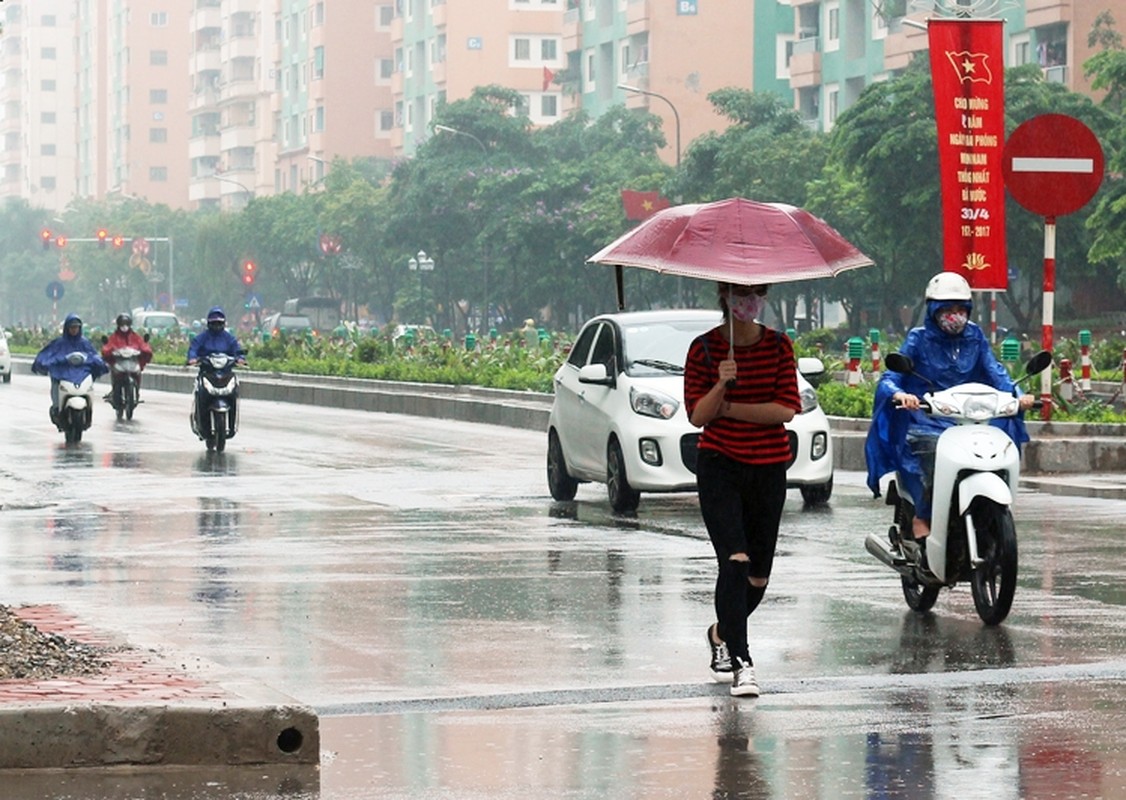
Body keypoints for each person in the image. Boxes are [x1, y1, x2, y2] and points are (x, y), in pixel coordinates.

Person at [683, 282, 801, 698]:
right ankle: (743, 662)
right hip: (719, 466)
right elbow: (698, 416)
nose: (748, 300)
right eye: (739, 292)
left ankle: (720, 633)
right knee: (734, 560)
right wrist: (720, 384)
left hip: (768, 469)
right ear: (723, 294)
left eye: (756, 292)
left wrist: (730, 408)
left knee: (757, 577)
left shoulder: (779, 347)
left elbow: (784, 409)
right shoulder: (704, 350)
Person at [865, 272, 1034, 559]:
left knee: (994, 450)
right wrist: (900, 395)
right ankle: (922, 514)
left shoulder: (975, 337)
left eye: (960, 309)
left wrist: (1018, 396)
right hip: (926, 421)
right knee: (931, 457)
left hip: (968, 419)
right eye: (947, 309)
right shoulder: (918, 340)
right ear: (933, 311)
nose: (954, 316)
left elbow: (996, 373)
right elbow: (890, 377)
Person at [31, 314, 108, 426]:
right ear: (67, 328)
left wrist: (99, 362)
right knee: (55, 382)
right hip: (63, 374)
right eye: (72, 327)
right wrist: (52, 361)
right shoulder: (59, 343)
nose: (74, 330)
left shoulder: (84, 343)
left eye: (76, 327)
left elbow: (93, 356)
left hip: (81, 375)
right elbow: (47, 355)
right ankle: (57, 408)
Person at [187, 307, 247, 437]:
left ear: (224, 324)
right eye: (214, 323)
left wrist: (241, 359)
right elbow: (193, 349)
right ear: (209, 324)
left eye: (219, 323)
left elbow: (237, 350)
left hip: (226, 374)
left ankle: (232, 425)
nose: (216, 326)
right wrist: (192, 358)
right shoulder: (202, 338)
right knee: (201, 394)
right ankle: (201, 424)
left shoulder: (229, 338)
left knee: (234, 393)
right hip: (207, 373)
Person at [101, 313, 153, 402]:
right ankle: (115, 392)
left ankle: (137, 391)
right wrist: (109, 351)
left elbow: (142, 345)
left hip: (132, 361)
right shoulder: (114, 337)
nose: (124, 326)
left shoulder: (135, 336)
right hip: (119, 363)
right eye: (122, 324)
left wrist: (145, 350)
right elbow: (108, 347)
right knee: (114, 372)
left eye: (126, 324)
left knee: (138, 373)